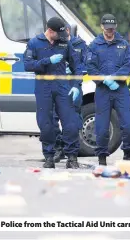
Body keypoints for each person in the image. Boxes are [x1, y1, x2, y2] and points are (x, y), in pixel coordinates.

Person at [23, 17, 83, 169]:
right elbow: (28, 65)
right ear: (50, 31)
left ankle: (72, 157)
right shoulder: (34, 43)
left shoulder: (64, 43)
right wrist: (47, 61)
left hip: (62, 87)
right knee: (46, 123)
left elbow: (77, 66)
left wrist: (76, 85)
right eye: (58, 34)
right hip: (43, 87)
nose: (62, 37)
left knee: (70, 123)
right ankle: (49, 156)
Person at [86, 14, 130, 166]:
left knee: (129, 125)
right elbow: (91, 67)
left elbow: (128, 65)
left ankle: (127, 153)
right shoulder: (95, 45)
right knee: (101, 127)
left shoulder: (123, 44)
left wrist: (113, 78)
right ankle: (102, 158)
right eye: (107, 28)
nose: (110, 31)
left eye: (112, 28)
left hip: (120, 90)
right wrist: (104, 80)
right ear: (102, 27)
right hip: (103, 91)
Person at [52, 27, 88, 162]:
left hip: (74, 85)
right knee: (53, 118)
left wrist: (75, 70)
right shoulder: (55, 43)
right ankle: (58, 147)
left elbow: (87, 64)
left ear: (69, 30)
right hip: (58, 85)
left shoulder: (80, 44)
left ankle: (72, 152)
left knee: (73, 120)